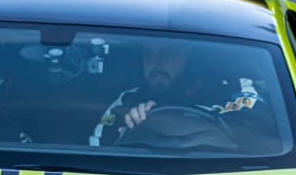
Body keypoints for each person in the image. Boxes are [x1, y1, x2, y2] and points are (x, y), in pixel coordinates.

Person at [89, 40, 266, 147]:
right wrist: (128, 121)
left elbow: (261, 134)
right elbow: (98, 146)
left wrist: (162, 117)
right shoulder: (129, 100)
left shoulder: (236, 90)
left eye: (168, 53)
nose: (156, 63)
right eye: (148, 54)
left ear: (192, 59)